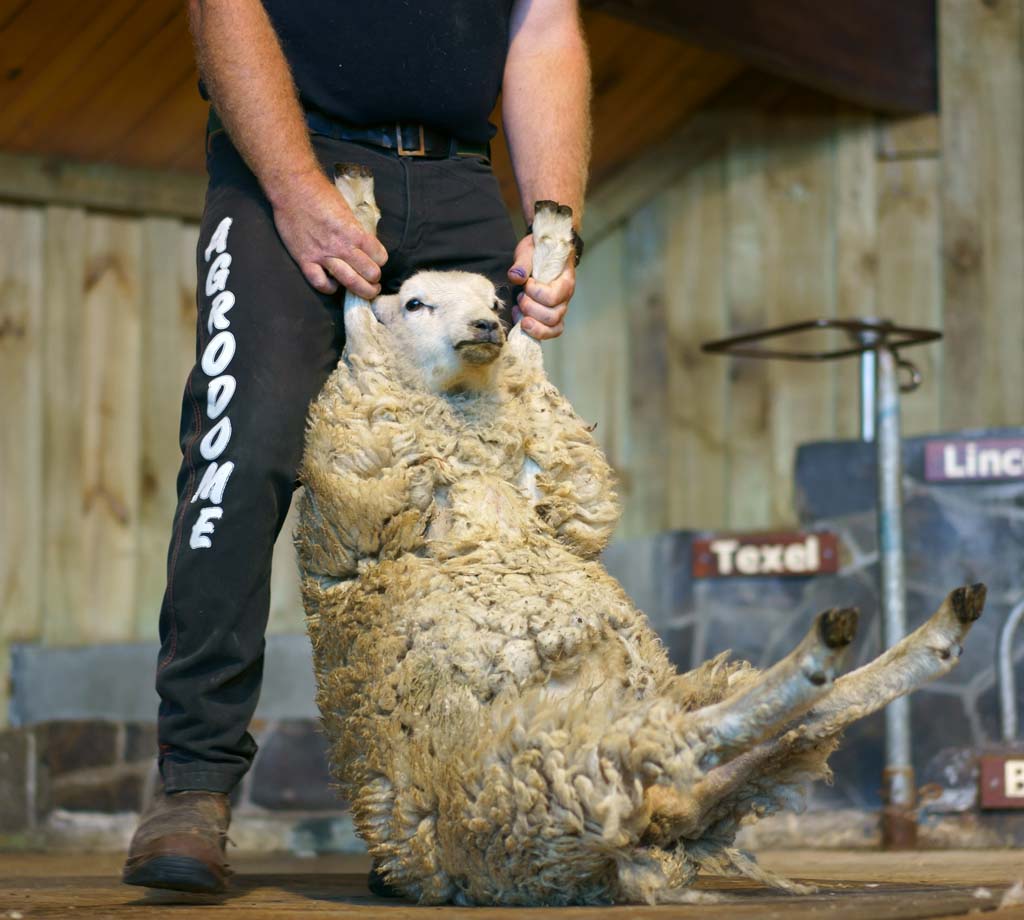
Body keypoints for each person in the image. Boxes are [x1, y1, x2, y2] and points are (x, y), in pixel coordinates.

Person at [122, 0, 591, 895]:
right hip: (290, 163)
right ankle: (195, 782)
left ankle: (451, 808)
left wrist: (551, 219)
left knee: (491, 495)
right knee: (246, 445)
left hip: (459, 178)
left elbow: (543, 27)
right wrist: (298, 192)